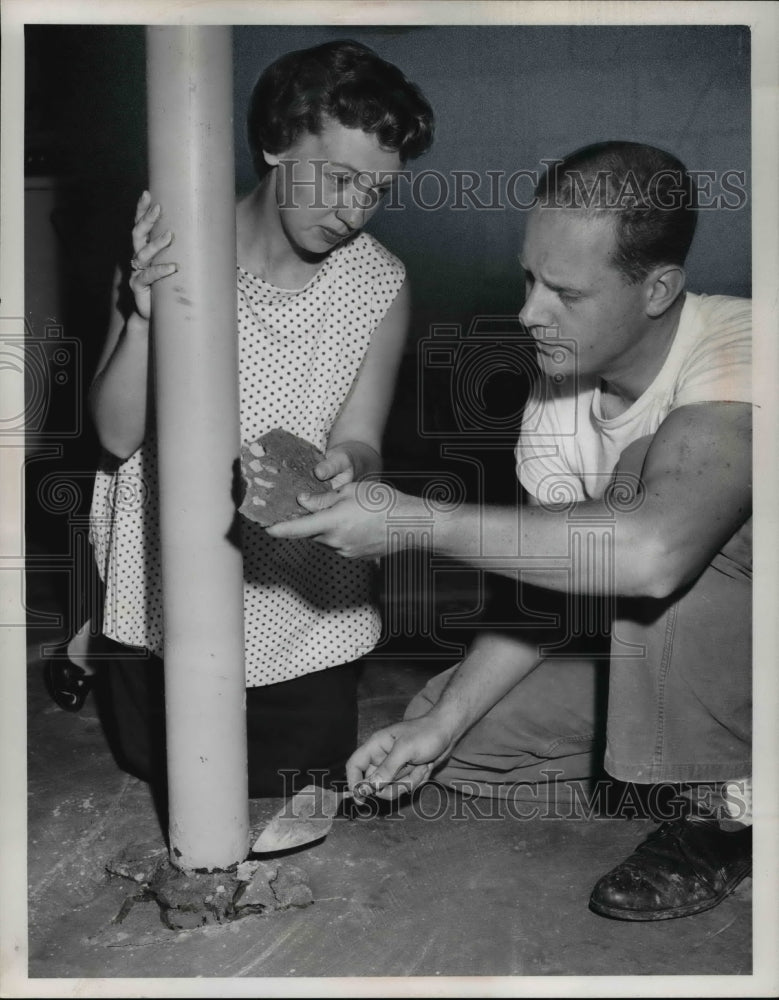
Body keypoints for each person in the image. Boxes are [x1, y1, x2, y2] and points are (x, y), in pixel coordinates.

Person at [269, 141, 753, 921]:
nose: (529, 312)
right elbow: (547, 592)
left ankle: (726, 818)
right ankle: (700, 766)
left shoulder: (740, 348)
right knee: (450, 731)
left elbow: (654, 552)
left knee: (636, 483)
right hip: (697, 661)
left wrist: (414, 520)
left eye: (564, 291)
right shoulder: (555, 391)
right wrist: (442, 722)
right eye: (530, 278)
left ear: (657, 289)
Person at [80, 40, 434, 797]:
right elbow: (113, 436)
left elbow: (361, 441)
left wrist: (352, 466)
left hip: (300, 592)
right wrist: (144, 318)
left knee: (292, 782)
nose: (352, 211)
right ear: (274, 142)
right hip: (165, 576)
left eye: (375, 190)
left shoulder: (381, 283)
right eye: (338, 178)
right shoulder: (167, 250)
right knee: (156, 768)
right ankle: (96, 639)